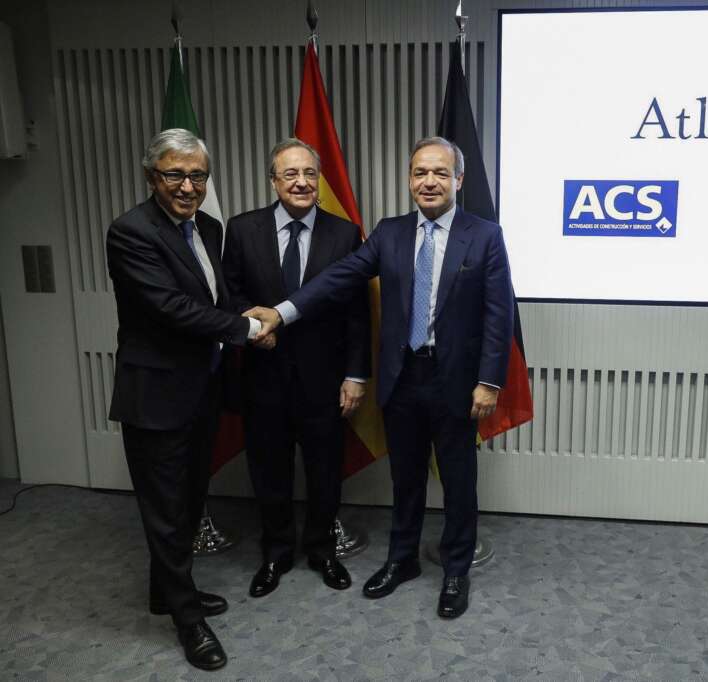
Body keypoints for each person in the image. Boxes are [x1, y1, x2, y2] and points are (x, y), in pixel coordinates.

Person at [247, 136, 514, 619]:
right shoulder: (390, 233)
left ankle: (456, 569)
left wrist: (490, 381)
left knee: (458, 482)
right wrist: (284, 312)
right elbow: (339, 277)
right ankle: (402, 559)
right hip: (401, 377)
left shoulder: (484, 235)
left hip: (456, 381)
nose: (429, 181)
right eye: (419, 172)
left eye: (439, 173)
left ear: (458, 179)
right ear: (409, 180)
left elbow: (499, 314)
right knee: (405, 477)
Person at [106, 128, 271, 671]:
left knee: (187, 500)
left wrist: (245, 315)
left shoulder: (209, 227)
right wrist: (248, 330)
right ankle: (187, 619)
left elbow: (214, 297)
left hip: (201, 388)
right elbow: (170, 308)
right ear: (151, 176)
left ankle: (165, 592)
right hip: (155, 394)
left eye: (198, 176)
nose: (188, 186)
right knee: (165, 510)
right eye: (175, 174)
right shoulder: (131, 231)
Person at [222, 138, 370, 598]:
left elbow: (357, 312)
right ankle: (276, 552)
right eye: (291, 174)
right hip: (262, 374)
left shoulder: (344, 234)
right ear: (273, 181)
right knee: (269, 470)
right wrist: (252, 328)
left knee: (325, 471)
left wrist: (355, 375)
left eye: (309, 173)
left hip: (324, 380)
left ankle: (323, 550)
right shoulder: (242, 229)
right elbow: (229, 294)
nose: (302, 182)